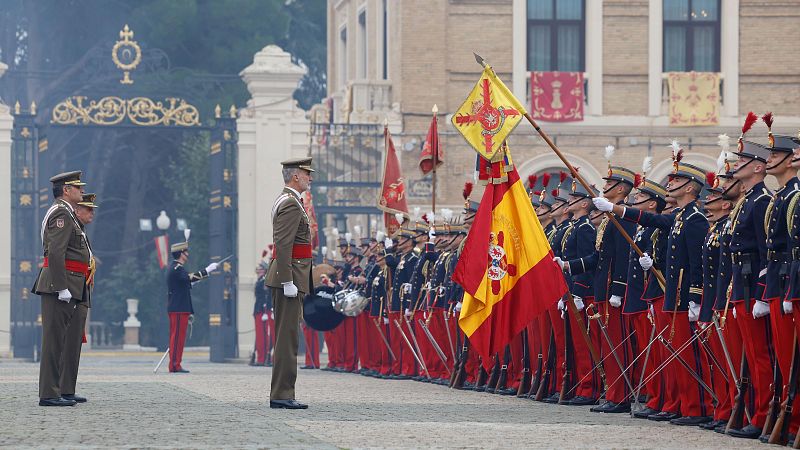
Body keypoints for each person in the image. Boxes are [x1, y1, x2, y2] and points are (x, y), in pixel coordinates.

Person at [33, 171, 89, 407]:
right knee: (54, 341)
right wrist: (61, 287)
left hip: (69, 283)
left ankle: (61, 390)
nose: (82, 191)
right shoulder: (61, 213)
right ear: (66, 190)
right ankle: (48, 394)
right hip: (59, 285)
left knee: (61, 340)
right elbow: (56, 252)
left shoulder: (67, 213)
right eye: (78, 187)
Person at [266, 157, 314, 409]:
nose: (310, 178)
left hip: (293, 275)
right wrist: (287, 281)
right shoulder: (291, 204)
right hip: (290, 277)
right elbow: (284, 245)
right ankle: (282, 394)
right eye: (307, 174)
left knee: (288, 336)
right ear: (296, 176)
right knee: (287, 338)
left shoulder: (289, 201)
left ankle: (283, 392)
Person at [59, 193, 98, 404]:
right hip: (71, 289)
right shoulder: (70, 227)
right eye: (88, 209)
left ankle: (68, 388)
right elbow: (58, 254)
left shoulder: (81, 231)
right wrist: (62, 287)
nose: (92, 213)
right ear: (77, 210)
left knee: (74, 344)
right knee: (67, 343)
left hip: (82, 289)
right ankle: (60, 388)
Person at [167, 242, 218, 373]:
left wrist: (193, 282)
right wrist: (207, 270)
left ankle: (176, 364)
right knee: (177, 338)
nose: (188, 254)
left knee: (178, 338)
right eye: (186, 252)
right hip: (179, 308)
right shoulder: (177, 268)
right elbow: (189, 277)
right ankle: (174, 365)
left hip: (179, 307)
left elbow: (185, 282)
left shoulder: (176, 268)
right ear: (181, 254)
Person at [252, 259, 273, 366]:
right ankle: (261, 357)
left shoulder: (265, 280)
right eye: (258, 269)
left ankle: (262, 358)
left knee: (263, 336)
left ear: (264, 270)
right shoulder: (260, 280)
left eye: (260, 269)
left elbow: (266, 296)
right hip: (259, 309)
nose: (258, 270)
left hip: (263, 310)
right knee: (260, 336)